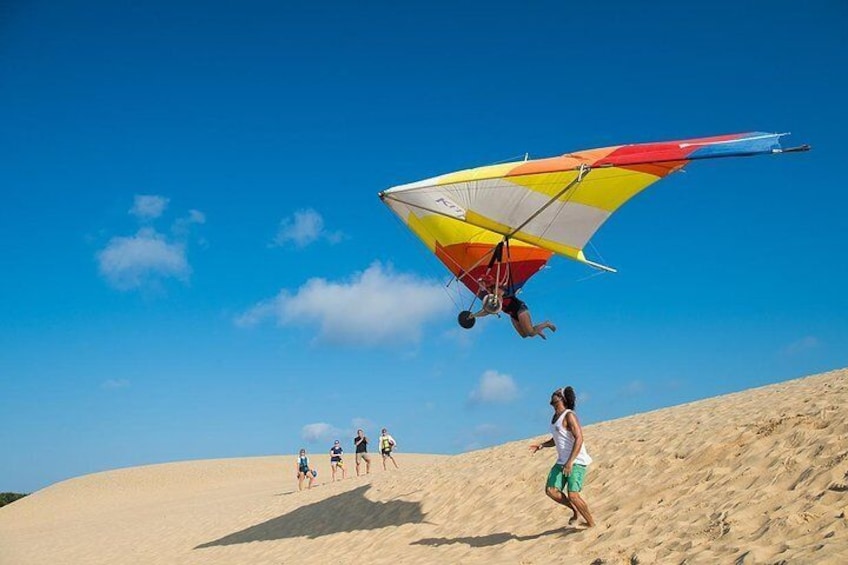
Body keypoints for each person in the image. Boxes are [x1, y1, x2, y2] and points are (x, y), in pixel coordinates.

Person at [529, 386, 595, 527]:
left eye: (557, 393)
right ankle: (575, 510)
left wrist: (570, 462)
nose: (553, 394)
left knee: (573, 495)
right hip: (562, 462)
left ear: (562, 398)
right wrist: (542, 445)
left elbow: (579, 438)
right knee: (551, 490)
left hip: (576, 460)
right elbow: (557, 439)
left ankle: (591, 524)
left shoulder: (569, 415)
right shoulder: (554, 418)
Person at [477, 275, 556, 339]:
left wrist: (495, 305)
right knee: (524, 335)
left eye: (481, 283)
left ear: (487, 283)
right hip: (512, 314)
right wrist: (473, 316)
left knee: (531, 333)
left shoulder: (496, 290)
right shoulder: (490, 294)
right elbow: (488, 311)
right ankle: (537, 330)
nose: (480, 285)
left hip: (520, 309)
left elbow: (498, 301)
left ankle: (546, 323)